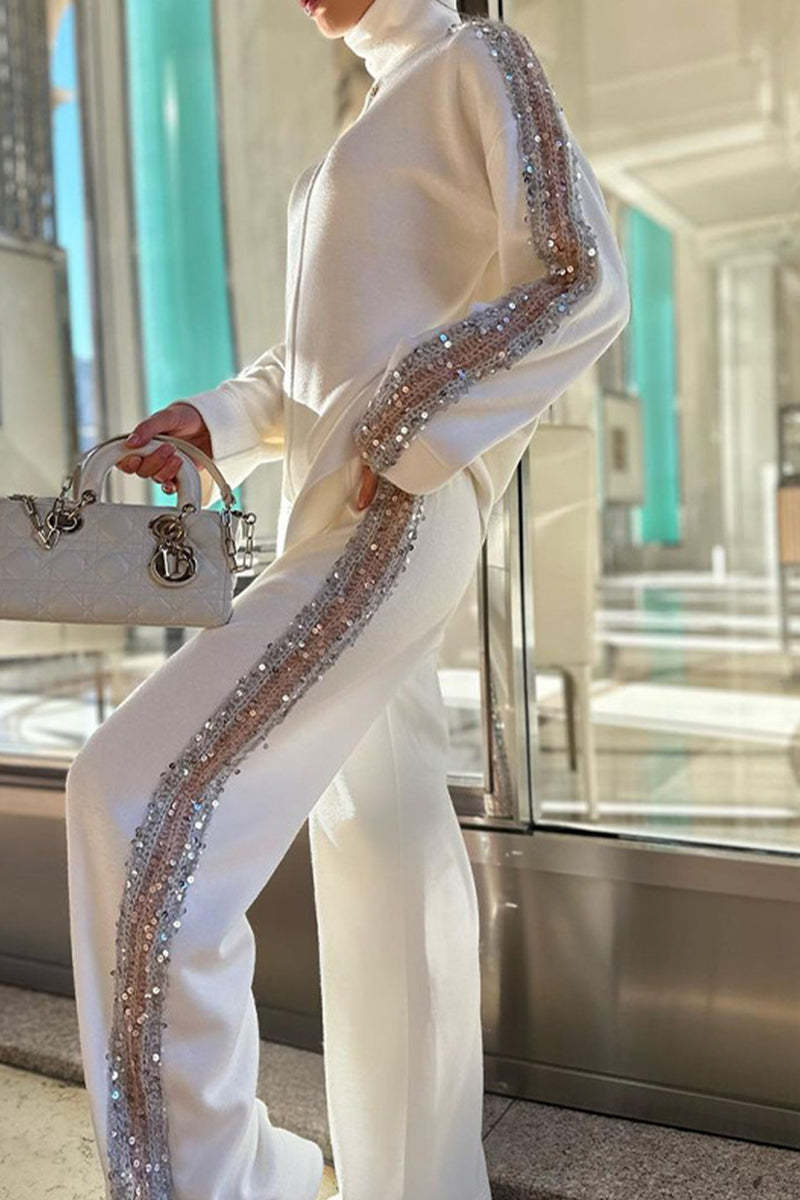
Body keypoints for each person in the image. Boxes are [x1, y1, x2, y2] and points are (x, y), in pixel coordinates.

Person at [64, 0, 630, 1197]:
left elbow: (578, 272)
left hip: (388, 517)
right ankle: (411, 1182)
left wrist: (407, 426)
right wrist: (211, 422)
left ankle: (230, 1182)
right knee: (384, 851)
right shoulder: (367, 119)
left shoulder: (474, 57)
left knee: (135, 796)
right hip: (343, 515)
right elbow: (316, 368)